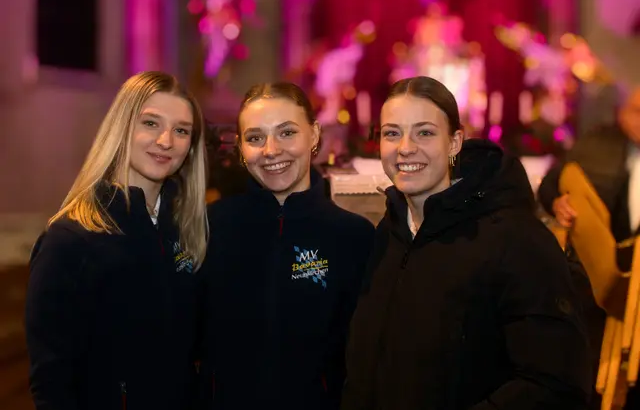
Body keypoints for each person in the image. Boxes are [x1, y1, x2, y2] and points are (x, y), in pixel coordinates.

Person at [341, 76, 592, 410]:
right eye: (392, 133)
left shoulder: (516, 238)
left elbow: (553, 381)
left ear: (455, 142)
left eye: (425, 133)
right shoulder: (390, 232)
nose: (405, 147)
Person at [25, 71, 209, 410]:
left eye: (181, 130)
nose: (166, 141)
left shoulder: (186, 231)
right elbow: (51, 383)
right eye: (151, 123)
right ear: (122, 128)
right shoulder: (70, 239)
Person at [198, 82, 375, 410]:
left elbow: (364, 357)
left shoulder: (354, 236)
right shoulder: (210, 226)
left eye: (287, 133)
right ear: (240, 148)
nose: (271, 150)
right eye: (255, 138)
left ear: (314, 135)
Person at [538, 85, 640, 409]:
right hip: (597, 286)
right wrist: (558, 201)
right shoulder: (596, 143)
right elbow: (553, 182)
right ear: (622, 113)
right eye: (637, 112)